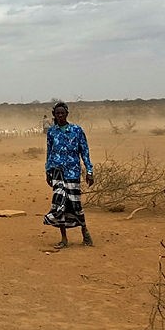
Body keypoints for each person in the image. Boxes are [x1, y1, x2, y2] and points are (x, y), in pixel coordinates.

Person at [44, 101, 94, 248]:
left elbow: (84, 151)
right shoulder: (52, 132)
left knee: (75, 204)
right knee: (59, 205)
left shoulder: (77, 130)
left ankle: (84, 231)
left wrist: (89, 171)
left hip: (73, 172)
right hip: (57, 172)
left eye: (62, 113)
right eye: (57, 113)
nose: (60, 115)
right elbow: (49, 152)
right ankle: (64, 239)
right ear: (54, 115)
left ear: (67, 114)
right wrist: (48, 171)